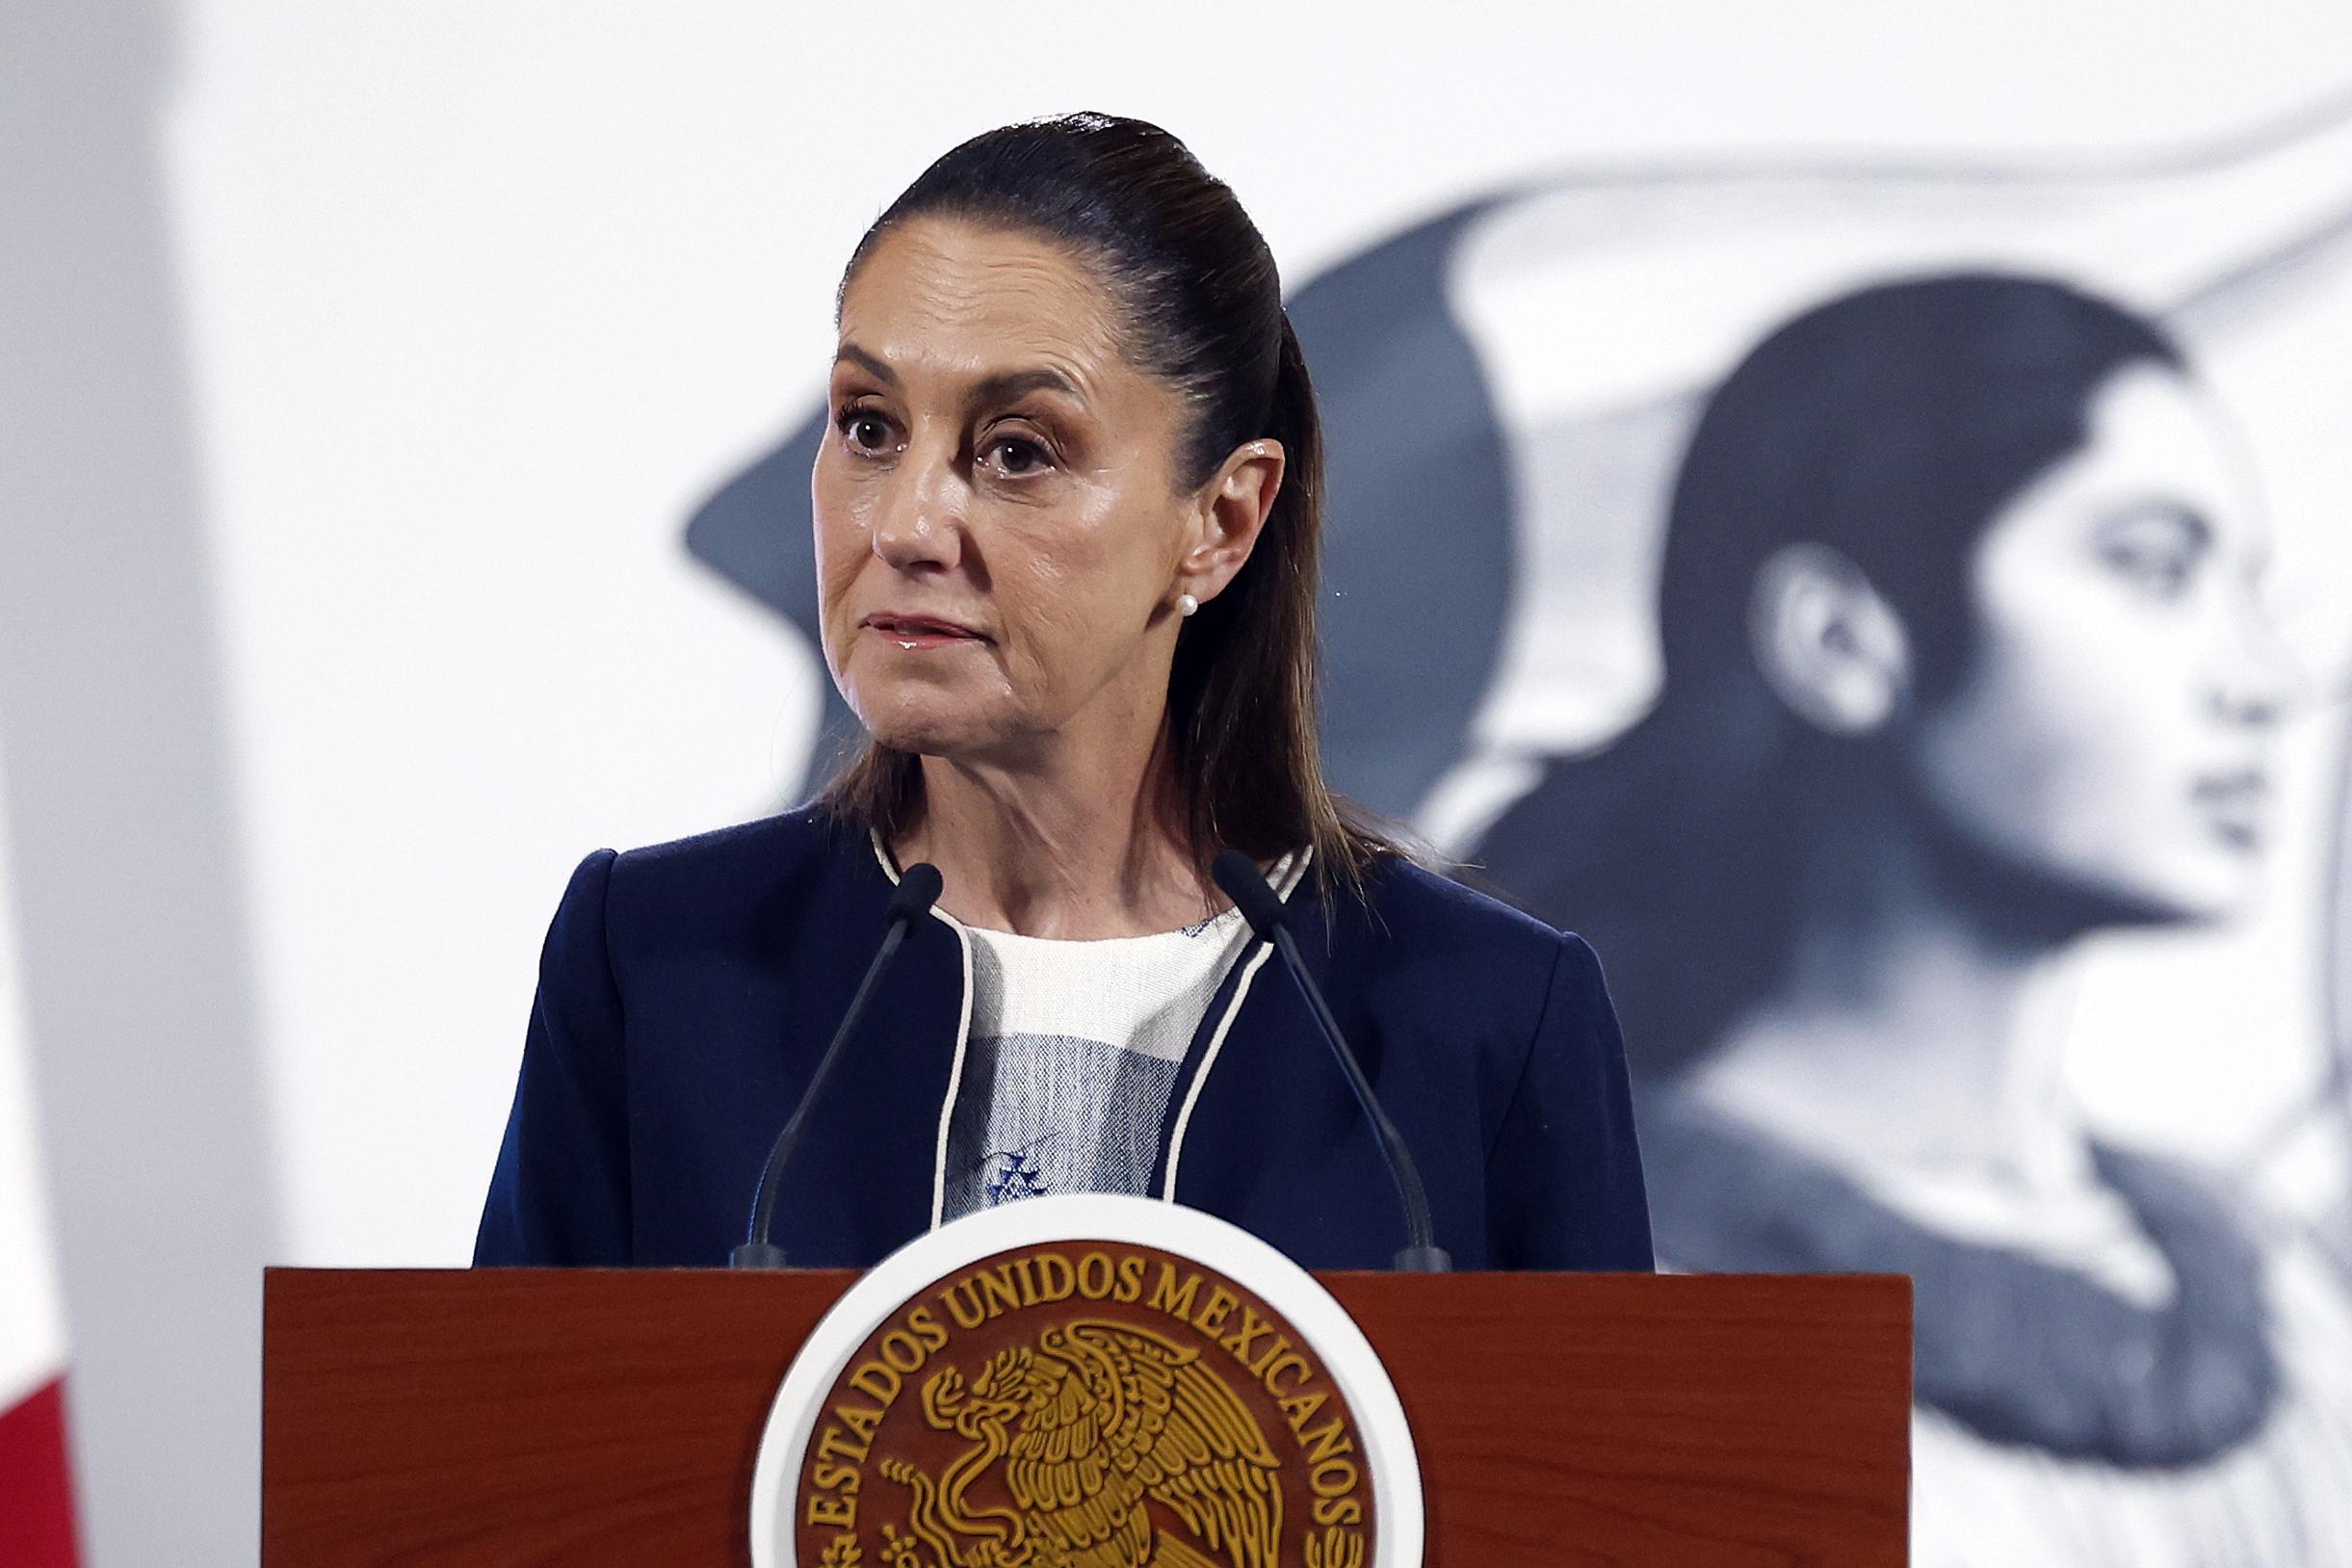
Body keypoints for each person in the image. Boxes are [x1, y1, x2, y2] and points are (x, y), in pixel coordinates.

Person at [474, 113, 1652, 1275]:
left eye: (1018, 450)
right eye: (870, 427)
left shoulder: (1485, 1010)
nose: (905, 524)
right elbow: (511, 1404)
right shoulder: (654, 961)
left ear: (1221, 519)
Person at [1476, 273, 2352, 1564]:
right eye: (2153, 568)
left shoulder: (2282, 1289)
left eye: (2246, 590)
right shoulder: (1580, 1296)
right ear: (1840, 638)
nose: (2265, 681)